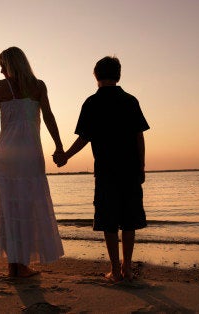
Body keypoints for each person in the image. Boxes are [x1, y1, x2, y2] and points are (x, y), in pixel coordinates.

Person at [54, 56, 149, 282]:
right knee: (129, 220)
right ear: (118, 74)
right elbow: (139, 137)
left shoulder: (91, 103)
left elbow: (84, 138)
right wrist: (141, 166)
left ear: (96, 75)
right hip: (130, 170)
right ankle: (127, 268)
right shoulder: (130, 101)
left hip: (106, 171)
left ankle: (115, 270)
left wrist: (65, 155)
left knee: (109, 220)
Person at [0, 47, 65, 277]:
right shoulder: (38, 85)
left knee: (9, 206)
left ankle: (14, 265)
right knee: (27, 205)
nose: (0, 69)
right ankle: (20, 265)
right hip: (29, 153)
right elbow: (49, 117)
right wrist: (59, 146)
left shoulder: (0, 87)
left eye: (2, 65)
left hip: (6, 153)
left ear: (11, 65)